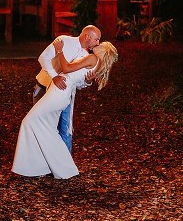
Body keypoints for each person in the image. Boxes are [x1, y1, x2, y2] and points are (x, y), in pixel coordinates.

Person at [12, 39, 118, 179]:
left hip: (59, 91)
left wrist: (60, 50)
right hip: (61, 92)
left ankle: (61, 167)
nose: (97, 45)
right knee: (43, 126)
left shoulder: (93, 58)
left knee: (29, 121)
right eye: (97, 41)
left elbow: (67, 68)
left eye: (100, 44)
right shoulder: (96, 63)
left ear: (104, 51)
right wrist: (87, 80)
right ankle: (41, 166)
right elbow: (79, 77)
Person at [33, 25, 101, 152]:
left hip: (65, 95)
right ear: (87, 36)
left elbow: (77, 82)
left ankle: (62, 164)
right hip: (43, 88)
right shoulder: (63, 41)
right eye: (96, 39)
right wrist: (54, 76)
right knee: (40, 126)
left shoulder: (86, 55)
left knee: (63, 129)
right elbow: (43, 58)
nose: (98, 43)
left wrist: (87, 81)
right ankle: (40, 163)